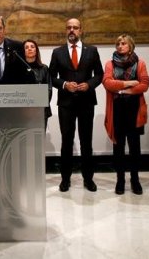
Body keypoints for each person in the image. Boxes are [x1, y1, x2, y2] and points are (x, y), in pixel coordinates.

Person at [49, 18, 103, 192]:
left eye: (75, 28)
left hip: (87, 101)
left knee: (86, 141)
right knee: (67, 141)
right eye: (69, 28)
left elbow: (99, 74)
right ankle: (65, 179)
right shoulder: (58, 52)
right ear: (66, 30)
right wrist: (64, 84)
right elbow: (51, 77)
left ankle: (88, 179)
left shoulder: (92, 51)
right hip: (66, 103)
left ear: (81, 30)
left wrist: (89, 84)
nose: (72, 30)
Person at [102, 34, 149, 195]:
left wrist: (122, 90)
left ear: (131, 46)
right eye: (118, 44)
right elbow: (107, 83)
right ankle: (120, 180)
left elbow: (144, 84)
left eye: (123, 43)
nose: (120, 46)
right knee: (119, 148)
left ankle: (135, 180)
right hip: (117, 110)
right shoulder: (110, 64)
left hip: (134, 109)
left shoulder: (140, 63)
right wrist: (128, 84)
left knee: (135, 148)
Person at [23, 39, 53, 128]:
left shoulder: (44, 68)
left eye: (32, 47)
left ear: (36, 50)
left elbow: (49, 89)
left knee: (39, 140)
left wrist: (38, 105)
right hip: (23, 111)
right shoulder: (18, 69)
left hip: (41, 110)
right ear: (23, 51)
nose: (30, 49)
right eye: (26, 47)